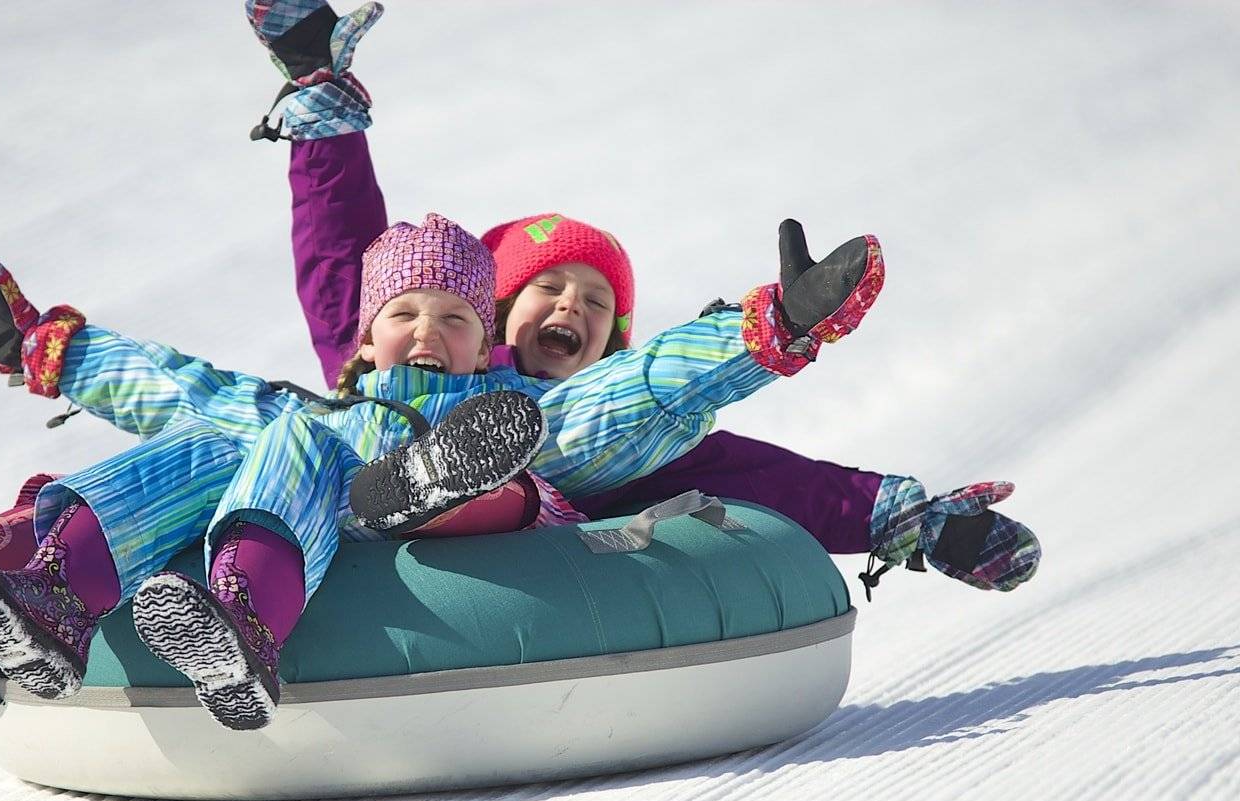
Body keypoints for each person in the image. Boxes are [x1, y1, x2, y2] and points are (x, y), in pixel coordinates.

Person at [0, 210, 878, 729]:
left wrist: (771, 327)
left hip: (501, 506)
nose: (430, 330)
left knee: (508, 450)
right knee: (222, 437)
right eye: (405, 315)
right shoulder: (323, 410)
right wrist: (50, 349)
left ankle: (331, 557)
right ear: (364, 341)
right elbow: (176, 386)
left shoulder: (526, 406)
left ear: (483, 338)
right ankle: (59, 602)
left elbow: (635, 395)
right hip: (341, 497)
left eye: (457, 318)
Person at [246, 0, 1041, 599]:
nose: (571, 308)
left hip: (540, 566)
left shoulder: (632, 432)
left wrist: (919, 522)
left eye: (597, 304)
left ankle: (774, 331)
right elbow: (341, 255)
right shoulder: (401, 362)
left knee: (633, 431)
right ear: (483, 316)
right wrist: (319, 98)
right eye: (545, 289)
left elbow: (776, 482)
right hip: (369, 550)